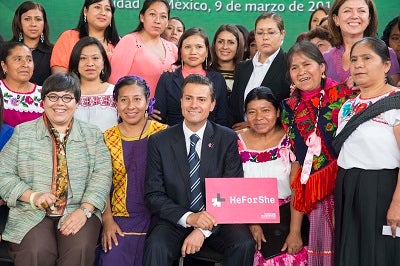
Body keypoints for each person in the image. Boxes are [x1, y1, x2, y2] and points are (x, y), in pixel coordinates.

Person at [0, 72, 112, 266]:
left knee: (79, 250)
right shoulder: (23, 133)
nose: (60, 103)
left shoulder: (92, 134)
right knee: (36, 252)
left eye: (67, 97)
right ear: (43, 101)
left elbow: (102, 175)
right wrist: (33, 196)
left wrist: (85, 210)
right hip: (31, 210)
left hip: (78, 208)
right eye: (53, 97)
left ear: (77, 103)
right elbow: (4, 173)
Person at [143, 74, 255, 265]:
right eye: (189, 98)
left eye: (201, 99)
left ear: (212, 104)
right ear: (181, 102)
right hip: (175, 219)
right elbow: (153, 194)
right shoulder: (159, 141)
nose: (194, 105)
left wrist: (202, 230)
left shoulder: (227, 138)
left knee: (243, 242)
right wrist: (190, 218)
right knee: (156, 245)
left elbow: (231, 190)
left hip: (218, 220)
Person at [281, 41, 354, 266]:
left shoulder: (345, 96)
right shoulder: (289, 108)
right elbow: (297, 161)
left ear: (322, 67)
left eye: (307, 64)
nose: (301, 71)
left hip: (347, 188)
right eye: (294, 67)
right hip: (313, 196)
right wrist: (294, 230)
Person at [334, 37, 400, 266]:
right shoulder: (347, 106)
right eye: (354, 60)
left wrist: (398, 204)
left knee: (377, 253)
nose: (358, 65)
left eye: (366, 58)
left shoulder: (396, 103)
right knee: (350, 252)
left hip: (382, 188)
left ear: (386, 65)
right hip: (347, 184)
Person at [98, 75, 167, 265]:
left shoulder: (164, 134)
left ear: (147, 102)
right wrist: (107, 221)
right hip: (118, 219)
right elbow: (100, 182)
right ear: (116, 104)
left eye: (137, 99)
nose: (131, 106)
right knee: (112, 257)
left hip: (158, 219)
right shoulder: (106, 138)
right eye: (124, 100)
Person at [237, 86, 308, 265]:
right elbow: (232, 187)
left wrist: (295, 232)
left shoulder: (291, 139)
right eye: (251, 112)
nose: (259, 118)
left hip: (286, 215)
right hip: (245, 213)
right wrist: (252, 222)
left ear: (277, 112)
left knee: (289, 256)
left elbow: (297, 188)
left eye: (266, 110)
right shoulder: (235, 140)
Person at [154, 27, 228, 126]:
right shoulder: (168, 78)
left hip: (210, 139)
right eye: (187, 47)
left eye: (199, 47)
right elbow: (159, 118)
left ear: (206, 51)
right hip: (173, 137)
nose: (193, 52)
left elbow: (222, 119)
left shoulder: (218, 79)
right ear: (180, 51)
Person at [229, 12, 290, 130]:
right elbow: (234, 108)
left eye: (271, 32)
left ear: (282, 34)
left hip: (276, 137)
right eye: (260, 32)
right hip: (241, 138)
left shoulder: (289, 65)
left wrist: (252, 123)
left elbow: (291, 108)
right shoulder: (243, 67)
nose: (265, 37)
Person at [109, 0, 178, 97]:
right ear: (142, 17)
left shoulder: (173, 48)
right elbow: (114, 83)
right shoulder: (129, 41)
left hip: (166, 111)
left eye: (163, 16)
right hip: (135, 110)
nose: (157, 20)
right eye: (152, 14)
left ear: (167, 22)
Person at [325, 0, 400, 85]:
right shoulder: (325, 58)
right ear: (336, 19)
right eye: (347, 11)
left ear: (369, 18)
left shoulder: (387, 53)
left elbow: (393, 94)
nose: (354, 16)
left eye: (361, 11)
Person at [51, 0, 119, 73]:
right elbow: (60, 79)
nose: (103, 13)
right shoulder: (69, 37)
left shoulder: (119, 44)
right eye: (97, 7)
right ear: (85, 11)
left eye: (107, 9)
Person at [68, 36, 117, 132]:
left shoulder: (115, 93)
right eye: (83, 58)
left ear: (103, 62)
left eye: (95, 58)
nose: (90, 63)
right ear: (75, 62)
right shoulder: (67, 95)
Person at [9, 1, 53, 86]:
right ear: (19, 23)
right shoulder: (6, 50)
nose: (33, 24)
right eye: (27, 19)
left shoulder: (53, 52)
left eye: (38, 19)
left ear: (44, 23)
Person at [0, 42, 43, 127]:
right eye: (18, 59)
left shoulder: (44, 94)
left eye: (29, 60)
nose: (25, 65)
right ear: (4, 66)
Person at [210, 24, 244, 97]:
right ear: (214, 44)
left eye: (231, 42)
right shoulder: (205, 73)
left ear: (238, 46)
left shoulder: (245, 73)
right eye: (220, 42)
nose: (225, 47)